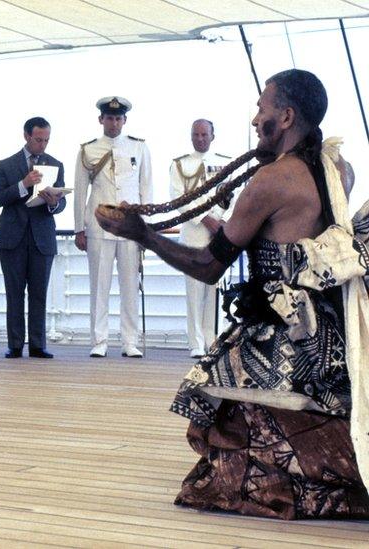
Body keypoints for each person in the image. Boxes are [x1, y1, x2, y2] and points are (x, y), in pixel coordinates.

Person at [95, 69, 369, 519]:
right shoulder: (340, 168)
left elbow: (209, 266)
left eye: (262, 108)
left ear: (285, 116)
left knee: (216, 411)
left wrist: (141, 234)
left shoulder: (272, 181)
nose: (254, 117)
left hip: (283, 336)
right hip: (331, 334)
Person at [73, 96, 151, 358]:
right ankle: (99, 340)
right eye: (109, 118)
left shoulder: (139, 148)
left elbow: (145, 190)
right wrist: (78, 229)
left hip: (129, 228)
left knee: (130, 285)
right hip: (98, 226)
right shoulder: (88, 149)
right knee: (99, 286)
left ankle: (130, 341)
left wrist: (146, 230)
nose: (114, 122)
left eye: (118, 118)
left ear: (125, 120)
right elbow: (81, 191)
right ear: (101, 119)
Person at [0, 117, 66, 359]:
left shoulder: (55, 164)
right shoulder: (6, 165)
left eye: (46, 140)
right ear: (26, 136)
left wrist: (55, 202)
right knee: (14, 292)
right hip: (13, 237)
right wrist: (23, 185)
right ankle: (14, 344)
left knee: (39, 293)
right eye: (38, 140)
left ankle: (37, 344)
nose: (42, 145)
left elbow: (62, 201)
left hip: (41, 238)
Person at [168, 119, 231, 358]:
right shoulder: (180, 164)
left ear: (213, 136)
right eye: (196, 134)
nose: (200, 138)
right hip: (194, 233)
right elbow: (177, 197)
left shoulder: (226, 163)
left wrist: (223, 219)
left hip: (219, 235)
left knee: (214, 289)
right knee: (194, 291)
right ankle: (195, 342)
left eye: (205, 134)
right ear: (191, 136)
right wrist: (206, 218)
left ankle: (211, 338)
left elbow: (236, 193)